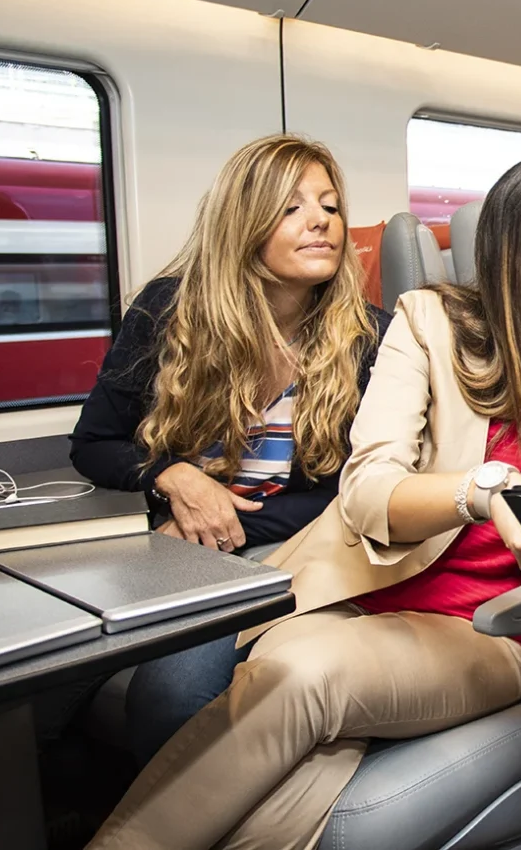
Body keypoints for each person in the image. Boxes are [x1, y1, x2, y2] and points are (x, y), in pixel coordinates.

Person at [88, 156, 521, 850]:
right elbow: (367, 493)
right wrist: (481, 495)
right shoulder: (428, 322)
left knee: (303, 676)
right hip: (351, 592)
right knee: (284, 718)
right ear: (500, 262)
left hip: (484, 630)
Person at [68, 134, 390, 765]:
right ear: (244, 221)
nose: (321, 219)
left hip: (291, 548)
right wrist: (175, 479)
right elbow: (93, 444)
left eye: (329, 204)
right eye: (292, 207)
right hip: (170, 541)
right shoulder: (169, 312)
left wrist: (223, 527)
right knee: (38, 682)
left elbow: (355, 488)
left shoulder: (370, 337)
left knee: (171, 695)